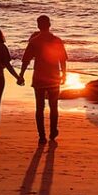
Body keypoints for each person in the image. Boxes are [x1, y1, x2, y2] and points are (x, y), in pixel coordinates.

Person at [18, 14, 69, 143]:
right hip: (53, 77)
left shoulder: (34, 41)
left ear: (38, 26)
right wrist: (64, 74)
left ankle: (42, 136)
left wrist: (21, 75)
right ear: (49, 25)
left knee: (39, 107)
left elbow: (26, 60)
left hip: (39, 78)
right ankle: (53, 131)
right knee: (53, 106)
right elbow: (62, 59)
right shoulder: (57, 40)